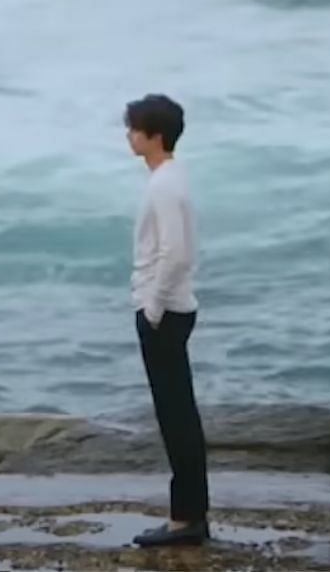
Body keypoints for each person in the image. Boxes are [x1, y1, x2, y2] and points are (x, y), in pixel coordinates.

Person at [123, 94, 210, 548]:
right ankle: (190, 513)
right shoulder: (171, 178)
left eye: (134, 129)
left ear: (154, 136)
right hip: (173, 309)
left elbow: (174, 253)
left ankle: (186, 519)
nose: (128, 135)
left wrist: (151, 308)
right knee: (179, 414)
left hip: (167, 313)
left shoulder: (164, 185)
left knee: (176, 418)